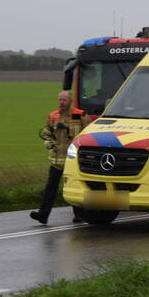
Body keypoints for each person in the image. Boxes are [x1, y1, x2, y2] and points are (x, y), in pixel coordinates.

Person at [31, 91, 88, 225]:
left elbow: (87, 134)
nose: (61, 102)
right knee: (50, 188)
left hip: (73, 159)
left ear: (70, 101)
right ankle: (42, 215)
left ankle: (79, 215)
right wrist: (49, 144)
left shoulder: (80, 114)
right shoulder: (53, 115)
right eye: (59, 100)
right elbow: (46, 133)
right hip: (56, 159)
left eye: (64, 100)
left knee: (74, 187)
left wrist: (68, 129)